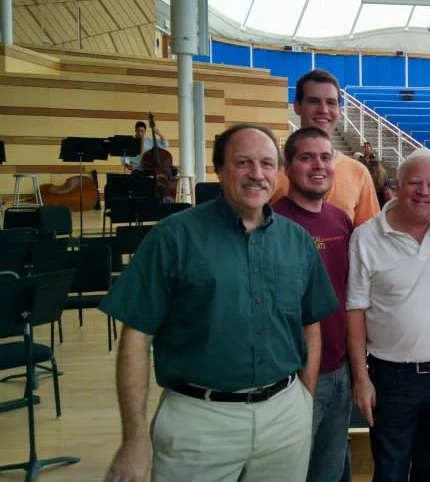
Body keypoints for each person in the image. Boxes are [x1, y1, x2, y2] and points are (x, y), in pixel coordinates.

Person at [100, 123, 339, 482]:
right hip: (199, 422)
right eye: (243, 162)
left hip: (285, 416)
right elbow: (136, 336)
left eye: (267, 164)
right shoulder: (174, 237)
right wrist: (134, 439)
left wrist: (303, 401)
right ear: (219, 168)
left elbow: (310, 325)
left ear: (278, 171)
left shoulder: (298, 241)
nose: (257, 174)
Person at [347, 149, 430, 482]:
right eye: (414, 182)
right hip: (390, 378)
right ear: (396, 186)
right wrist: (361, 378)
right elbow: (354, 310)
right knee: (389, 472)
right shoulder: (366, 237)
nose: (423, 191)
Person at [272, 126, 354, 482]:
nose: (318, 165)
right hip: (293, 378)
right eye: (306, 157)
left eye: (325, 157)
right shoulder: (271, 222)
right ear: (287, 168)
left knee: (328, 473)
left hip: (341, 372)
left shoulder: (341, 220)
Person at [272, 69, 381, 225]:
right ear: (297, 106)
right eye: (313, 101)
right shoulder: (271, 169)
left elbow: (369, 239)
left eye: (331, 102)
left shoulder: (358, 173)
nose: (323, 110)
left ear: (340, 110)